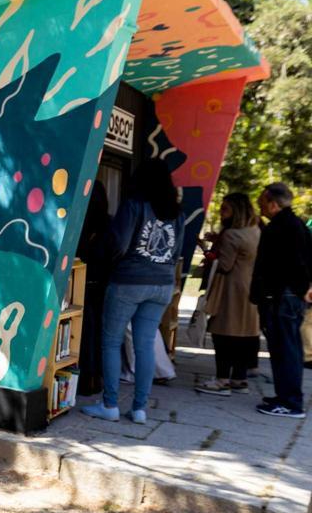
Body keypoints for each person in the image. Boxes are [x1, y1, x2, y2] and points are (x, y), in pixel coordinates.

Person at [81, 159, 184, 425]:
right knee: (145, 345)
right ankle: (140, 409)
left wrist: (107, 260)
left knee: (111, 341)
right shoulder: (177, 213)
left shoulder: (134, 205)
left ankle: (110, 404)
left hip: (129, 281)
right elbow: (176, 251)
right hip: (161, 284)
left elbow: (118, 243)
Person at [249, 182, 312, 418]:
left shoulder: (282, 228)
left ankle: (290, 402)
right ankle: (284, 396)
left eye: (262, 201)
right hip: (289, 294)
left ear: (273, 204)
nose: (259, 206)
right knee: (285, 348)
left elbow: (280, 265)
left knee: (286, 349)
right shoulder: (295, 225)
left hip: (282, 296)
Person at [194, 193, 260, 395]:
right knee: (244, 336)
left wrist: (206, 251)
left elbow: (224, 265)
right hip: (249, 287)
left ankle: (222, 380)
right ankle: (239, 379)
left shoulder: (232, 235)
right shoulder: (254, 231)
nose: (222, 213)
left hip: (230, 290)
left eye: (225, 209)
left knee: (222, 335)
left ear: (236, 211)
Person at [76, 179, 112, 395]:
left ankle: (83, 378)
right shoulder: (109, 223)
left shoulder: (79, 223)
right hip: (103, 282)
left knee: (84, 330)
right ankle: (95, 377)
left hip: (82, 280)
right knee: (98, 330)